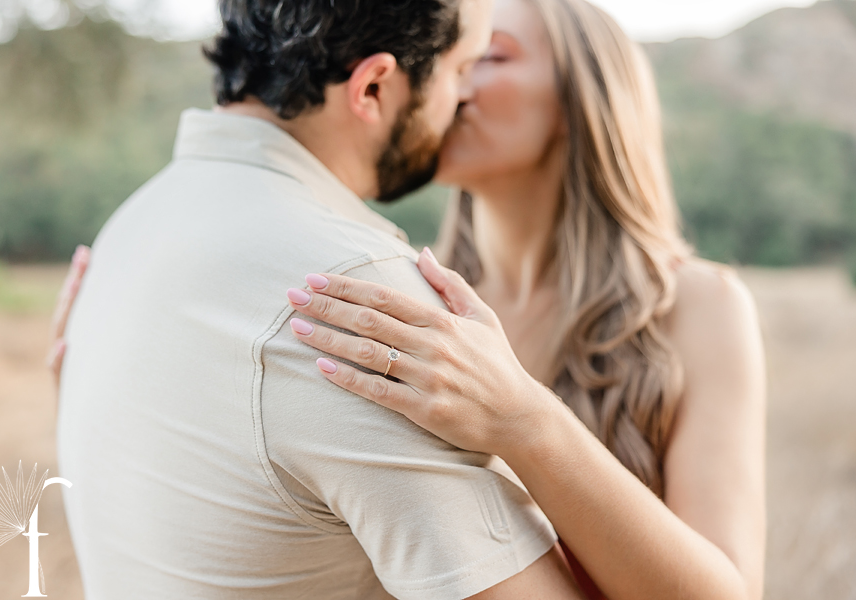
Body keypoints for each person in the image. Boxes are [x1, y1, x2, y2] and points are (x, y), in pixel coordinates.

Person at [51, 1, 767, 599]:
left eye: (490, 57)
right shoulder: (393, 304)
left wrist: (530, 424)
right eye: (461, 62)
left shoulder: (698, 306)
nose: (457, 87)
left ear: (584, 98)